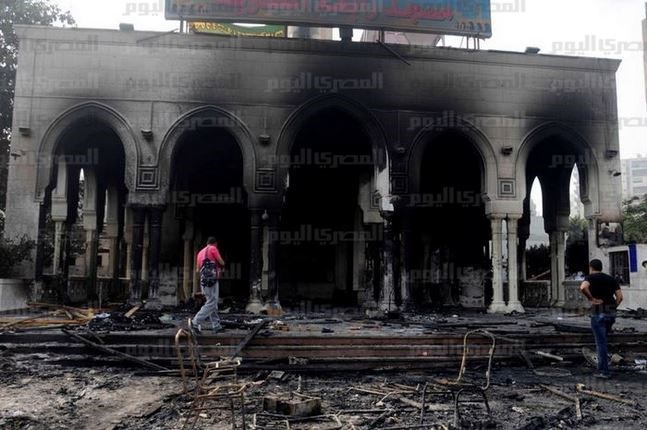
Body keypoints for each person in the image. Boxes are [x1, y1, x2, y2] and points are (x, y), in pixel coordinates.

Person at [579, 259, 623, 378]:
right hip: (611, 313)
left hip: (598, 313)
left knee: (601, 343)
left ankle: (604, 371)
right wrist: (613, 307)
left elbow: (583, 287)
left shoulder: (590, 278)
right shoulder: (610, 279)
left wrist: (591, 299)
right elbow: (620, 297)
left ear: (591, 267)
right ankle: (604, 367)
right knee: (604, 341)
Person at [189, 237, 225, 335]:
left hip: (203, 281)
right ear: (215, 243)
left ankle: (216, 326)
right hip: (212, 280)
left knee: (211, 301)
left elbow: (197, 270)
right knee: (212, 302)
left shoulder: (200, 253)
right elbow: (222, 262)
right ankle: (195, 322)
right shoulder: (213, 249)